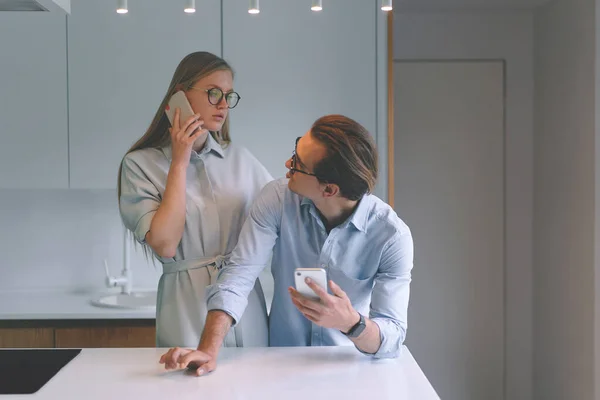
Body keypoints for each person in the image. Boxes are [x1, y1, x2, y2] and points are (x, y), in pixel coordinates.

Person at [159, 114, 414, 375]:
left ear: (329, 190)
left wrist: (351, 323)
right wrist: (208, 349)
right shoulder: (277, 199)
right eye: (296, 150)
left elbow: (393, 337)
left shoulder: (391, 237)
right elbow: (239, 274)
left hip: (348, 368)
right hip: (279, 365)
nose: (287, 163)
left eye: (298, 164)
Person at [118, 51, 272, 348]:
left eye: (229, 95)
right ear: (180, 96)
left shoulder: (242, 160)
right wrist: (179, 160)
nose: (224, 105)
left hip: (244, 306)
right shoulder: (139, 165)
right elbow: (165, 243)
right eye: (214, 94)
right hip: (186, 308)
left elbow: (284, 222)